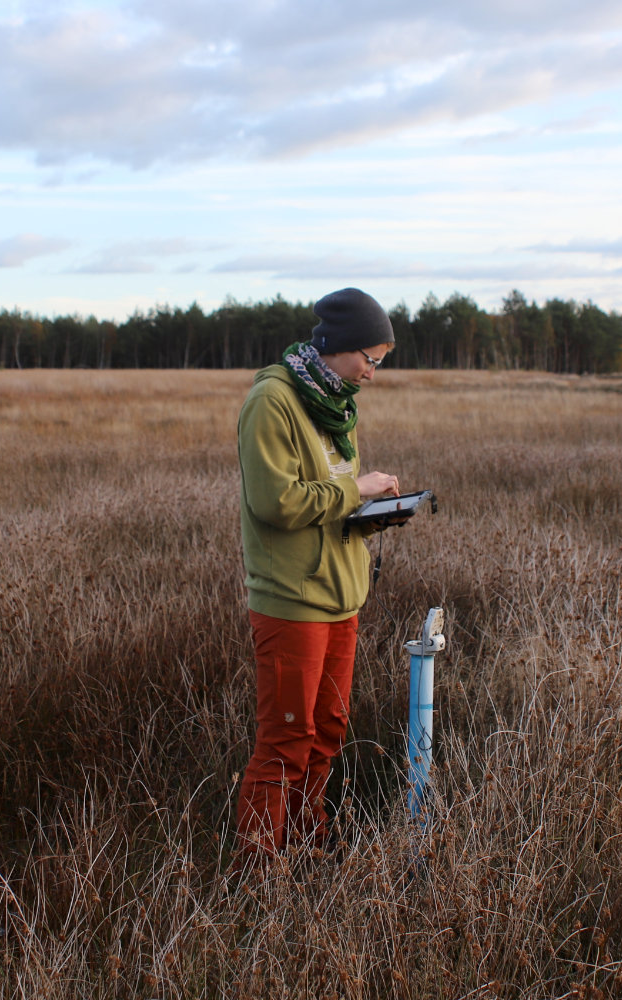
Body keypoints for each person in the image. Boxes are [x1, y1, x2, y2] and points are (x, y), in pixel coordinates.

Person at [234, 287, 400, 862]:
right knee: (285, 741)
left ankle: (308, 843)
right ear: (338, 346)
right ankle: (258, 875)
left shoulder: (336, 403)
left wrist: (372, 514)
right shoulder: (273, 402)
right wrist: (357, 489)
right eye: (369, 359)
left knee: (326, 733)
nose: (373, 374)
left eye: (380, 361)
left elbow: (327, 501)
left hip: (341, 596)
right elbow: (275, 503)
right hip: (292, 601)